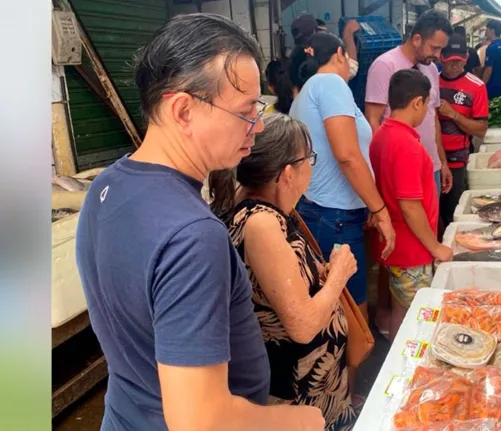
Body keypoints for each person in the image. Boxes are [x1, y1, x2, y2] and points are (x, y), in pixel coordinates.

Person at [75, 13, 324, 431]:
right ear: (184, 110)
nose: (258, 126)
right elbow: (199, 420)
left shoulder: (108, 185)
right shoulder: (192, 236)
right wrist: (300, 421)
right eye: (247, 111)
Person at [208, 114, 358, 430]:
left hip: (315, 385)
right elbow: (302, 325)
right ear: (288, 173)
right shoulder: (262, 223)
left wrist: (319, 273)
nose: (311, 167)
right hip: (297, 393)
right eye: (310, 159)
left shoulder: (269, 213)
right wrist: (339, 275)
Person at [289, 32, 395, 318]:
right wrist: (381, 210)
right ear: (339, 54)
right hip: (333, 218)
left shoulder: (306, 92)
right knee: (351, 316)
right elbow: (347, 155)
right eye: (348, 56)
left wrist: (367, 202)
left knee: (335, 309)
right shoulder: (330, 83)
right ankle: (355, 364)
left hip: (324, 213)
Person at [364, 9, 452, 337]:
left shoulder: (386, 136)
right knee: (416, 313)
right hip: (411, 245)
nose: (437, 56)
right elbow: (409, 205)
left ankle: (395, 342)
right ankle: (404, 359)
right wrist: (435, 247)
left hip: (400, 241)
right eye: (435, 48)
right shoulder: (405, 145)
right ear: (417, 103)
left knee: (404, 303)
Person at [365, 9, 454, 196]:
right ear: (416, 39)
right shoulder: (385, 65)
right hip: (400, 169)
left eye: (441, 49)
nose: (438, 56)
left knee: (430, 222)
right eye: (434, 48)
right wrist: (383, 170)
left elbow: (433, 119)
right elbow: (373, 121)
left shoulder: (430, 70)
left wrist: (442, 162)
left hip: (431, 166)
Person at [437, 34, 489, 226]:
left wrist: (454, 115)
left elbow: (481, 130)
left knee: (452, 211)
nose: (455, 66)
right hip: (431, 159)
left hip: (457, 161)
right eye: (450, 61)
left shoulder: (477, 87)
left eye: (460, 61)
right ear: (442, 57)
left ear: (466, 57)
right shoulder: (431, 81)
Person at [292, 14, 361, 80]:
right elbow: (351, 69)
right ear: (315, 33)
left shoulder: (295, 60)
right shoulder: (318, 56)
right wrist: (348, 33)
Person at [481, 19, 501, 100]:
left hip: (492, 87)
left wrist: (482, 85)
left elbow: (488, 69)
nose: (486, 32)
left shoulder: (491, 48)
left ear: (492, 31)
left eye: (487, 29)